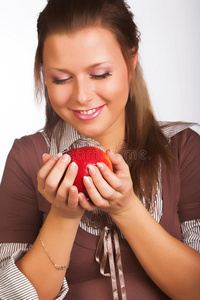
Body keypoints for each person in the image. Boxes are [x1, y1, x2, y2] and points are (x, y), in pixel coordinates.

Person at [0, 0, 200, 299]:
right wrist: (63, 216)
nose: (82, 96)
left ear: (131, 61)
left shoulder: (182, 147)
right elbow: (10, 295)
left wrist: (127, 208)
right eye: (61, 79)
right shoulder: (29, 157)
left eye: (100, 74)